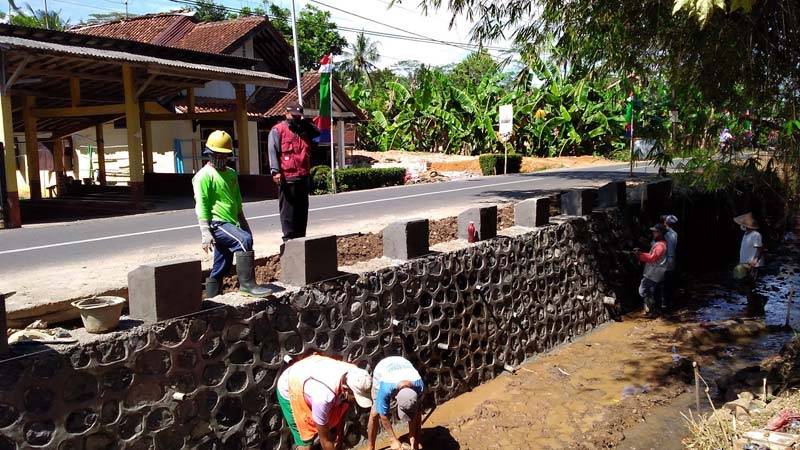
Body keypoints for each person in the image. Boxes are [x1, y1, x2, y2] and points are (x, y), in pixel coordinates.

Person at [192, 130, 272, 298]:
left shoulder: (231, 173)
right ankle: (247, 285)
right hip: (217, 223)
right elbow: (202, 204)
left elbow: (236, 202)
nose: (220, 158)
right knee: (244, 241)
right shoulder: (203, 176)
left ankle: (211, 298)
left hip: (230, 223)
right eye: (217, 154)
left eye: (224, 155)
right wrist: (205, 232)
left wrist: (243, 224)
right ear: (209, 154)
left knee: (221, 265)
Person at [276, 355, 373, 450]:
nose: (356, 402)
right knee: (306, 441)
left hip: (310, 375)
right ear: (346, 390)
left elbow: (342, 411)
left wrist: (339, 441)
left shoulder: (356, 375)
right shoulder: (323, 398)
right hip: (291, 386)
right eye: (356, 397)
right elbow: (325, 441)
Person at [268, 102, 320, 242]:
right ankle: (288, 239)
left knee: (302, 211)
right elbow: (272, 151)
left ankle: (301, 238)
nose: (295, 118)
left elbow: (317, 132)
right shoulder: (278, 130)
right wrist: (275, 171)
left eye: (298, 116)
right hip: (287, 177)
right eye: (293, 115)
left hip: (303, 176)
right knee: (288, 211)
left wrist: (305, 123)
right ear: (286, 114)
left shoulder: (303, 129)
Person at [367, 356, 425, 450]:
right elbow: (383, 415)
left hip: (403, 364)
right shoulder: (385, 388)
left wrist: (412, 436)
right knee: (375, 412)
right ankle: (370, 447)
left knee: (417, 411)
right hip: (383, 368)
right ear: (396, 397)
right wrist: (393, 439)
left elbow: (416, 410)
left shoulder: (419, 386)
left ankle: (415, 439)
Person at [637, 223, 668, 317]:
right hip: (657, 272)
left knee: (643, 290)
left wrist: (639, 255)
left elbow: (653, 258)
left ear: (660, 233)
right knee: (654, 291)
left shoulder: (660, 246)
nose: (653, 233)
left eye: (655, 232)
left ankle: (652, 310)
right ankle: (655, 310)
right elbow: (653, 256)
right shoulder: (662, 244)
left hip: (653, 273)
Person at [734, 212, 764, 286]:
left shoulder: (756, 235)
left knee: (749, 283)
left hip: (752, 264)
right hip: (745, 263)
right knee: (743, 282)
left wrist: (754, 261)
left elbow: (759, 249)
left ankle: (750, 293)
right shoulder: (746, 234)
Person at [661, 214, 679, 309]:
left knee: (663, 282)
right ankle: (670, 302)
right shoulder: (675, 234)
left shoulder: (665, 234)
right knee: (669, 281)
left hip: (665, 260)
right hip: (672, 260)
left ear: (666, 222)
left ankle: (664, 303)